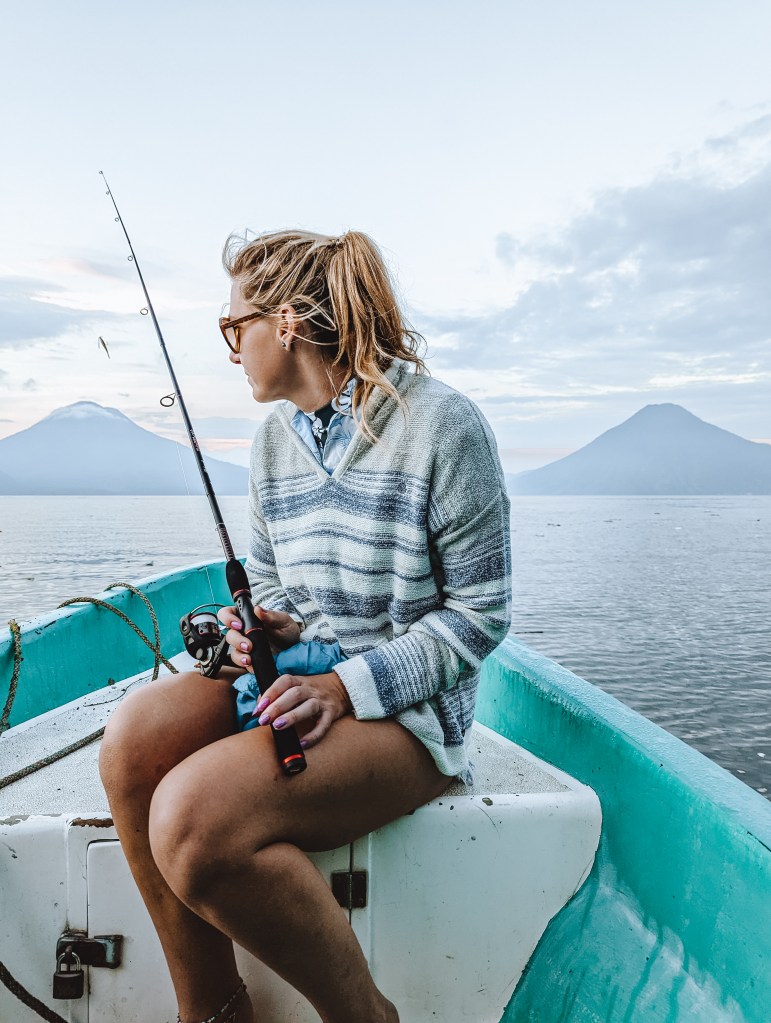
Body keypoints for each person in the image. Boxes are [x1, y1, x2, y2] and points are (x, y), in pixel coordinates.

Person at [99, 229, 512, 1023]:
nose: (230, 350)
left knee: (191, 819)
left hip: (408, 714)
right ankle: (214, 1010)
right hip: (299, 676)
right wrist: (263, 627)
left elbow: (478, 616)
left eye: (234, 328)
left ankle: (365, 1016)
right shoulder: (269, 444)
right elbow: (275, 582)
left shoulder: (443, 427)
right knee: (134, 737)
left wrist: (344, 687)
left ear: (285, 322)